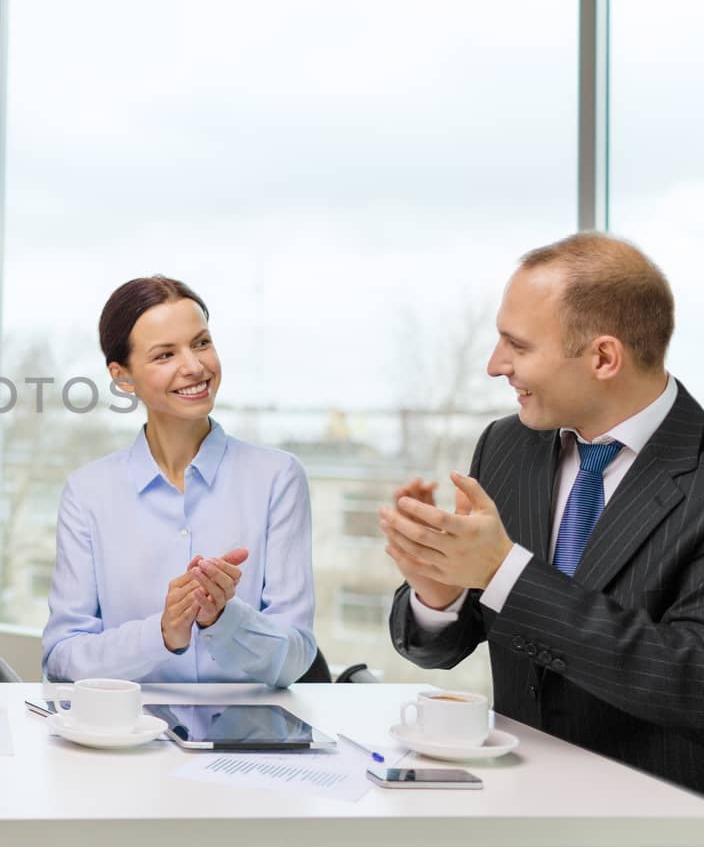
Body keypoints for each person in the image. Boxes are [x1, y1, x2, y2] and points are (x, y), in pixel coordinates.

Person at [382, 232, 704, 793]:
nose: (494, 364)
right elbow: (446, 648)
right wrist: (439, 591)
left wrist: (502, 572)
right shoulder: (507, 446)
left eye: (518, 345)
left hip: (654, 814)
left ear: (604, 357)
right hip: (513, 804)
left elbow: (689, 679)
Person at [43, 276, 317, 685]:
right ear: (122, 377)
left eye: (201, 343)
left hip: (246, 742)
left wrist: (225, 618)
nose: (194, 366)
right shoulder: (89, 493)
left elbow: (295, 660)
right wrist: (162, 632)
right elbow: (62, 658)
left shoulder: (278, 478)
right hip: (128, 738)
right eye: (165, 354)